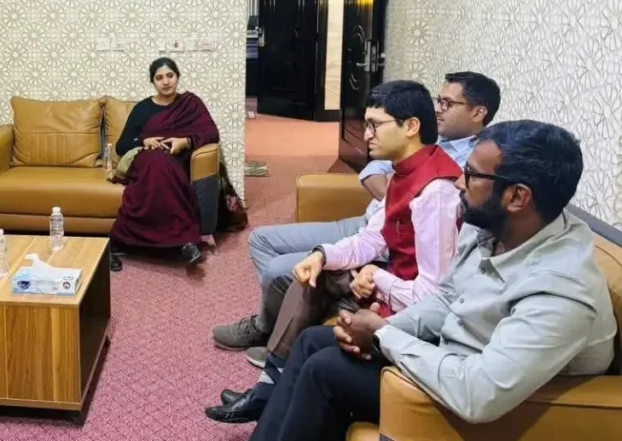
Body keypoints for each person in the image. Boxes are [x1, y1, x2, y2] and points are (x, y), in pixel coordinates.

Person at [248, 120, 616, 441]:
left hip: (481, 395)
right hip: (447, 354)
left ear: (517, 197)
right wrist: (380, 329)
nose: (458, 182)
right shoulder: (492, 225)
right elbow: (447, 298)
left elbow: (479, 393)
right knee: (314, 341)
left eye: (471, 175)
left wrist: (383, 336)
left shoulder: (562, 290)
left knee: (326, 372)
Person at [206, 79, 464, 423]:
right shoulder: (405, 173)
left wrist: (377, 277)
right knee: (314, 275)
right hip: (395, 282)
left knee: (315, 297)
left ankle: (267, 393)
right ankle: (267, 388)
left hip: (414, 312)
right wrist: (321, 255)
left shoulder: (436, 193)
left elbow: (434, 295)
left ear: (411, 127)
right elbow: (371, 239)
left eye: (375, 125)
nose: (366, 134)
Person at [109, 57, 220, 271]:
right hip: (146, 160)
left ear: (177, 77)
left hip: (176, 162)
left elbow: (212, 133)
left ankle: (122, 241)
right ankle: (185, 242)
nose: (166, 81)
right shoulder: (143, 108)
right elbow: (122, 145)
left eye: (170, 75)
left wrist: (186, 141)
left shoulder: (191, 104)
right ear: (153, 82)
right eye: (159, 78)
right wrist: (144, 141)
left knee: (165, 168)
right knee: (158, 164)